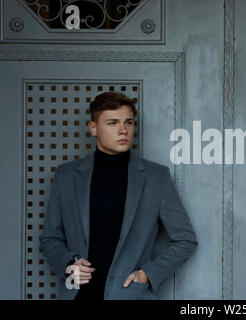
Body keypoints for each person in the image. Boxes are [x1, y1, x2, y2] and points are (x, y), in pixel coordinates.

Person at [39, 92, 198, 300]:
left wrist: (148, 274)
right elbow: (50, 238)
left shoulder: (156, 177)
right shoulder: (66, 176)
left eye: (129, 122)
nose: (123, 130)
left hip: (129, 295)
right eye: (112, 123)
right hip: (78, 296)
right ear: (93, 128)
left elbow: (185, 239)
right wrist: (69, 264)